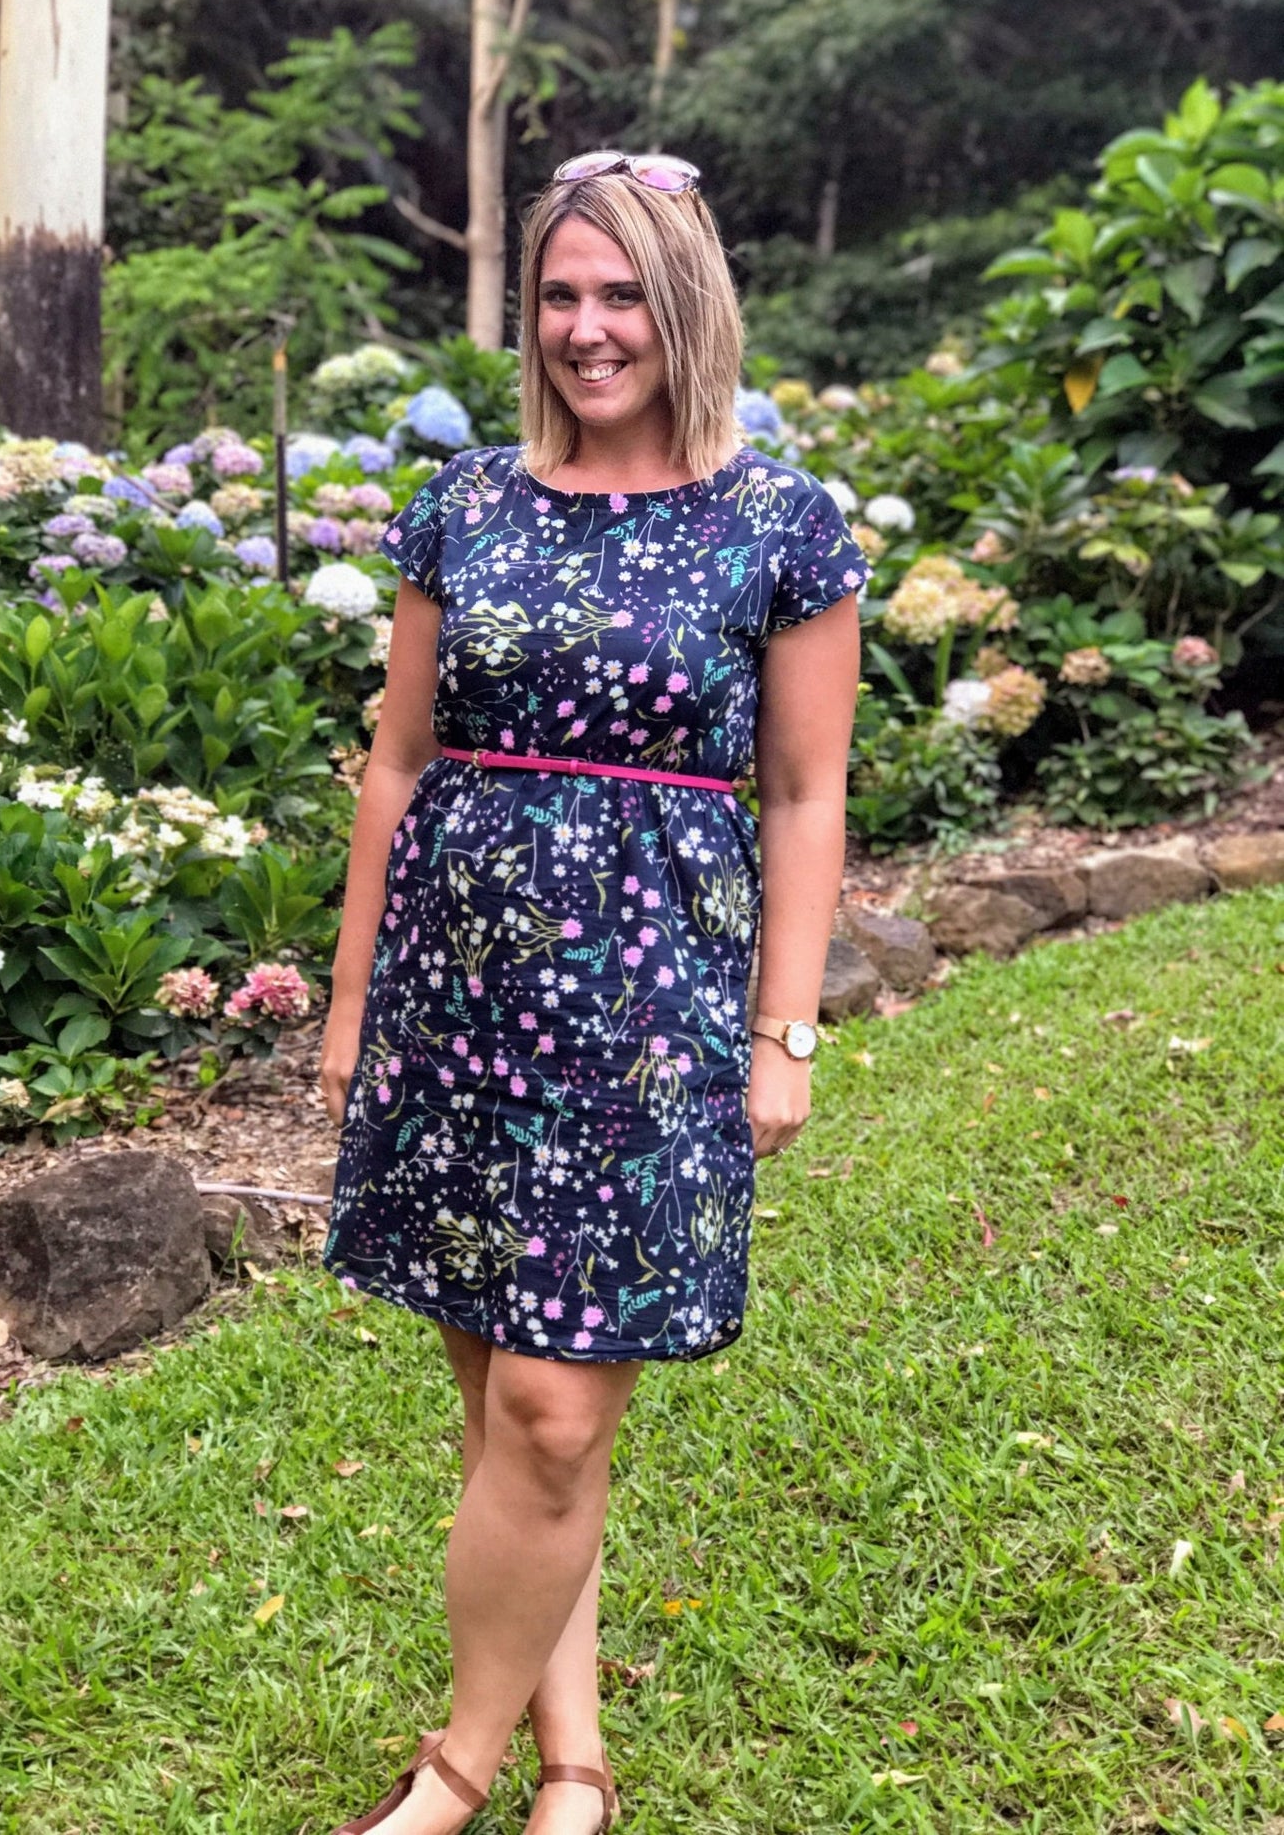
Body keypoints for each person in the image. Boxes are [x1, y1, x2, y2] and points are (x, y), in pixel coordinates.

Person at [317, 148, 867, 1835]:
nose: (585, 327)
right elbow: (397, 765)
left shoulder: (777, 523)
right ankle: (574, 1767)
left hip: (648, 1018)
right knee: (504, 1403)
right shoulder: (464, 504)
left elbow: (804, 795)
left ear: (682, 305)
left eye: (621, 293)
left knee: (556, 1411)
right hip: (457, 999)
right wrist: (349, 1009)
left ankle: (456, 1768)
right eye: (558, 295)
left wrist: (784, 1030)